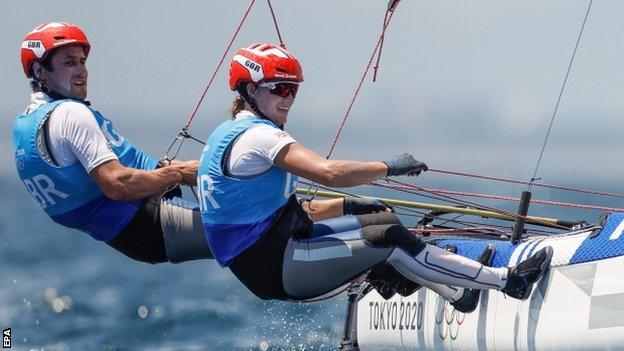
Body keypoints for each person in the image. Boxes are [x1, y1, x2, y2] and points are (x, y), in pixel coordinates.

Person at [197, 43, 553, 308]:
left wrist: (352, 205)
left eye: (293, 88)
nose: (289, 98)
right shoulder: (259, 137)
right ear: (250, 89)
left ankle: (454, 291)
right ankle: (509, 282)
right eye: (279, 88)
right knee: (391, 237)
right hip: (277, 266)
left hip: (271, 256)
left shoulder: (226, 134)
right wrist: (389, 166)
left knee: (377, 217)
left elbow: (278, 212)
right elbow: (329, 172)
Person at [13, 22, 212, 264]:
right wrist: (177, 173)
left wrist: (166, 171)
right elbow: (117, 184)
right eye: (69, 62)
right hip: (155, 219)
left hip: (136, 235)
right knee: (256, 231)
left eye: (82, 62)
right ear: (39, 71)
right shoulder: (69, 114)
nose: (81, 71)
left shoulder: (24, 126)